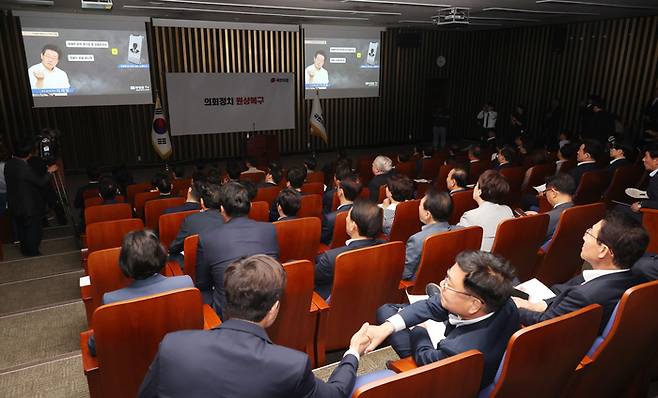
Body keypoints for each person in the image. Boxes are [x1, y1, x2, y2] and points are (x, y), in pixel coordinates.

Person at [139, 255, 370, 398]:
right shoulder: (291, 365)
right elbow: (336, 394)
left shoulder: (173, 345)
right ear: (273, 310)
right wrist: (353, 351)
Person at [367, 250, 519, 389]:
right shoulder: (506, 302)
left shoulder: (458, 352)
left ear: (474, 305)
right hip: (466, 342)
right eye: (446, 278)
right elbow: (431, 305)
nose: (441, 284)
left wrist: (420, 328)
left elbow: (425, 357)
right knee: (389, 314)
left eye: (448, 284)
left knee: (389, 313)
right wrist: (385, 328)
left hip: (449, 380)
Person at [513, 211, 648, 333]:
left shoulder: (584, 295)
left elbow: (545, 322)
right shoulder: (633, 278)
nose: (584, 237)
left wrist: (515, 307)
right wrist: (540, 305)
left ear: (603, 251)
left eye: (589, 233)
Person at [88, 230, 193, 356]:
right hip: (181, 359)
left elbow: (94, 347)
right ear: (161, 254)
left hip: (133, 370)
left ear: (124, 262)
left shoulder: (111, 301)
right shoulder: (185, 284)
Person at [196, 182, 279, 316]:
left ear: (222, 209)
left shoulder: (207, 238)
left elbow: (202, 283)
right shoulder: (270, 229)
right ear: (251, 206)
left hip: (229, 312)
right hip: (266, 305)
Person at [315, 200, 383, 299]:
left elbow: (313, 279)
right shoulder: (385, 246)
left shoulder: (332, 258)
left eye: (348, 216)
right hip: (369, 297)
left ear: (353, 226)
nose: (346, 218)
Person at [4, 136, 57, 256]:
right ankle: (33, 253)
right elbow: (41, 182)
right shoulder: (24, 168)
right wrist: (50, 172)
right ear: (29, 154)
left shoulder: (9, 164)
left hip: (15, 203)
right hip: (28, 205)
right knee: (33, 230)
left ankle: (25, 250)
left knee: (21, 229)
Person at [402, 188, 454, 280]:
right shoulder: (459, 231)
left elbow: (405, 274)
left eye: (419, 205)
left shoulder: (417, 240)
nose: (418, 208)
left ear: (427, 214)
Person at [458, 170, 513, 251]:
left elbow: (460, 242)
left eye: (476, 185)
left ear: (479, 191)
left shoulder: (470, 216)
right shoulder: (507, 210)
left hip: (480, 260)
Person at [168, 182, 224, 261]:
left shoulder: (190, 220)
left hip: (197, 263)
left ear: (201, 202)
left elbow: (175, 247)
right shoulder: (229, 219)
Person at [526, 173, 575, 241]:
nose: (545, 195)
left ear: (553, 193)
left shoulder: (549, 217)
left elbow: (531, 238)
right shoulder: (580, 209)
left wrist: (536, 221)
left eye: (545, 192)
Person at [321, 174, 360, 245]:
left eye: (337, 188)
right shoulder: (362, 212)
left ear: (341, 192)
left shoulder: (330, 218)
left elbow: (322, 239)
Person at [630, 146, 658, 213]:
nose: (643, 159)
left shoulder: (656, 179)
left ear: (656, 160)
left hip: (653, 217)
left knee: (618, 208)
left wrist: (641, 204)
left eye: (646, 156)